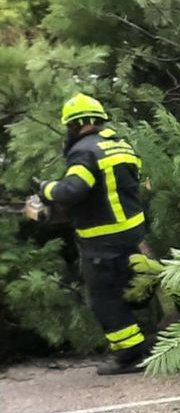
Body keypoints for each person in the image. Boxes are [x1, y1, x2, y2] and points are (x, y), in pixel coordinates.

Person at [36, 93, 153, 375]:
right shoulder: (120, 145)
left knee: (104, 299)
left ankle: (130, 356)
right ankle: (151, 342)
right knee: (133, 291)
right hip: (133, 235)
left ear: (75, 125)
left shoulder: (85, 151)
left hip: (103, 242)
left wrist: (45, 189)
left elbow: (72, 191)